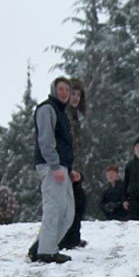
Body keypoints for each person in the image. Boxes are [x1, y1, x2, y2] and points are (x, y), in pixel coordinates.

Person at [28, 76, 76, 264]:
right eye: (61, 89)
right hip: (51, 166)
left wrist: (69, 169)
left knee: (68, 211)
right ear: (54, 90)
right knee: (54, 209)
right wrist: (55, 165)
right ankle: (46, 252)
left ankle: (43, 246)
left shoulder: (62, 113)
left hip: (61, 167)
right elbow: (46, 140)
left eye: (67, 90)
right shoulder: (47, 109)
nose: (64, 93)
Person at [59, 78, 87, 249]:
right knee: (73, 203)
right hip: (69, 166)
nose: (75, 98)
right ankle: (68, 238)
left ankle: (73, 237)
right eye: (73, 94)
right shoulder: (65, 114)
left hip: (76, 165)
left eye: (78, 94)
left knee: (78, 202)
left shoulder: (75, 115)